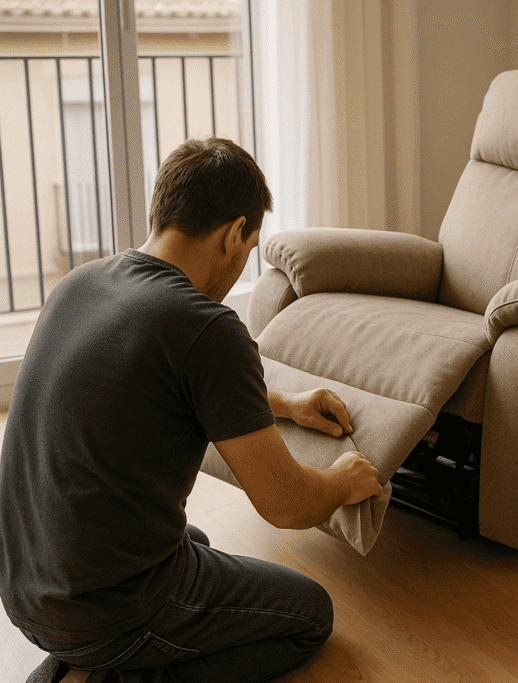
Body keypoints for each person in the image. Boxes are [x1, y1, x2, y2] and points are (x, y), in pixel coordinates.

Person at [0, 138, 383, 683]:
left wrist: (286, 405)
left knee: (193, 540)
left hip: (23, 589)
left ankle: (82, 658)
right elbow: (287, 504)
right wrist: (342, 481)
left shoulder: (80, 284)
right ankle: (110, 672)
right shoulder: (206, 325)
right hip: (104, 612)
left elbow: (159, 384)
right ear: (233, 233)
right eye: (249, 248)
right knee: (309, 615)